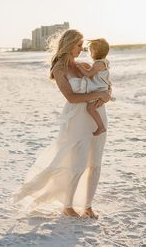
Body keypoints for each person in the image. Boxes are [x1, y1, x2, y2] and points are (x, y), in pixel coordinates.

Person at [12, 30, 111, 219]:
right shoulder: (59, 68)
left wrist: (106, 95)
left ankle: (88, 206)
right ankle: (68, 205)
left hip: (98, 115)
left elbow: (104, 83)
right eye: (78, 45)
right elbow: (72, 97)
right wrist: (100, 95)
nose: (81, 49)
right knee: (78, 164)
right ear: (68, 44)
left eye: (82, 46)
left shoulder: (85, 65)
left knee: (95, 164)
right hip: (76, 120)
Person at [77, 38, 112, 136]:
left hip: (100, 89)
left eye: (90, 50)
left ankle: (101, 127)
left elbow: (89, 74)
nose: (90, 53)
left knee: (90, 108)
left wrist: (80, 67)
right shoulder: (104, 62)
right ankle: (101, 126)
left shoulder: (98, 64)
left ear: (95, 51)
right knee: (91, 107)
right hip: (103, 87)